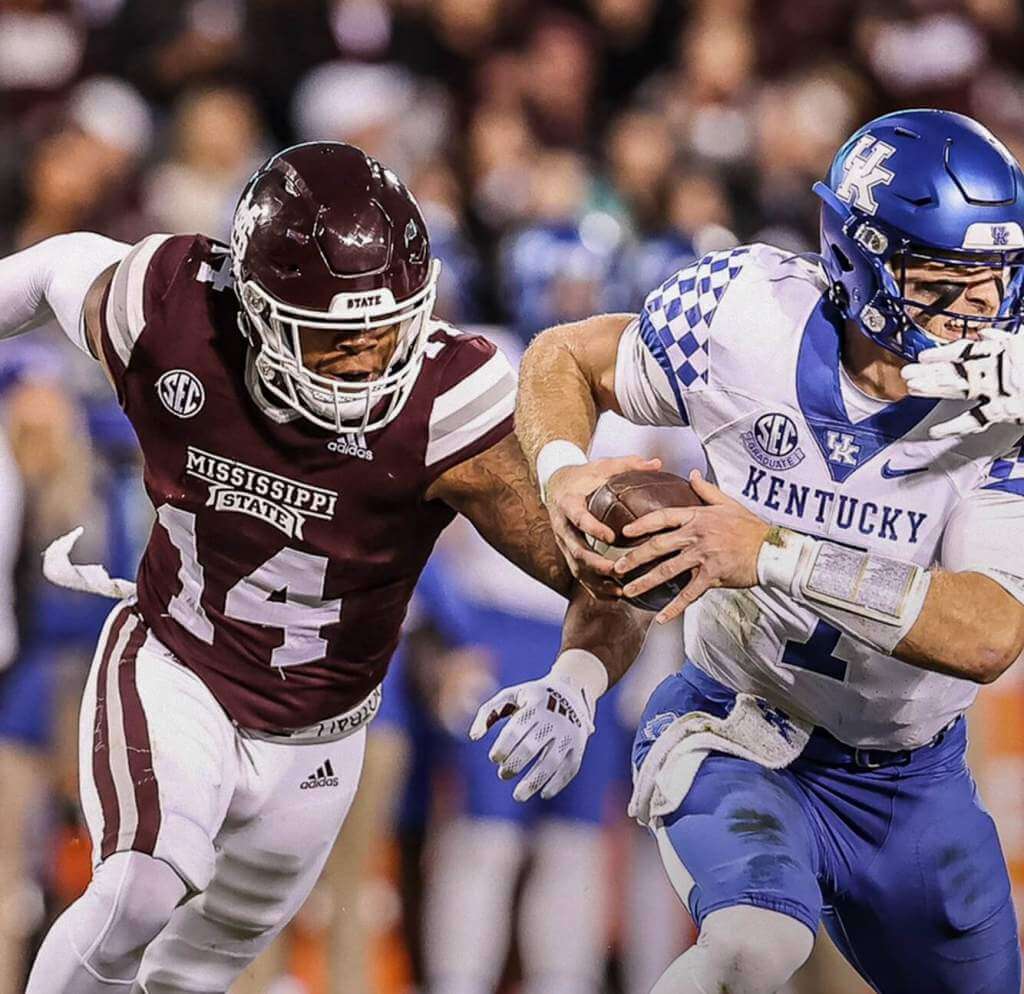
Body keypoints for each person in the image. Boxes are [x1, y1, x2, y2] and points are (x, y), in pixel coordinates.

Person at [0, 141, 649, 994]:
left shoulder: (446, 404)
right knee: (135, 891)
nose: (371, 358)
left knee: (194, 974)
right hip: (176, 666)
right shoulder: (176, 314)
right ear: (257, 307)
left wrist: (577, 681)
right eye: (336, 337)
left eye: (389, 327)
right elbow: (56, 267)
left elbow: (605, 576)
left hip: (324, 734)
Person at [476, 109, 1024, 994]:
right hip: (739, 725)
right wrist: (562, 471)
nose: (978, 308)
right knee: (751, 949)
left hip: (912, 776)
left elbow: (989, 633)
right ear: (860, 257)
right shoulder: (744, 313)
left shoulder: (1005, 401)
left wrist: (770, 552)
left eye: (993, 279)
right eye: (942, 278)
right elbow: (564, 359)